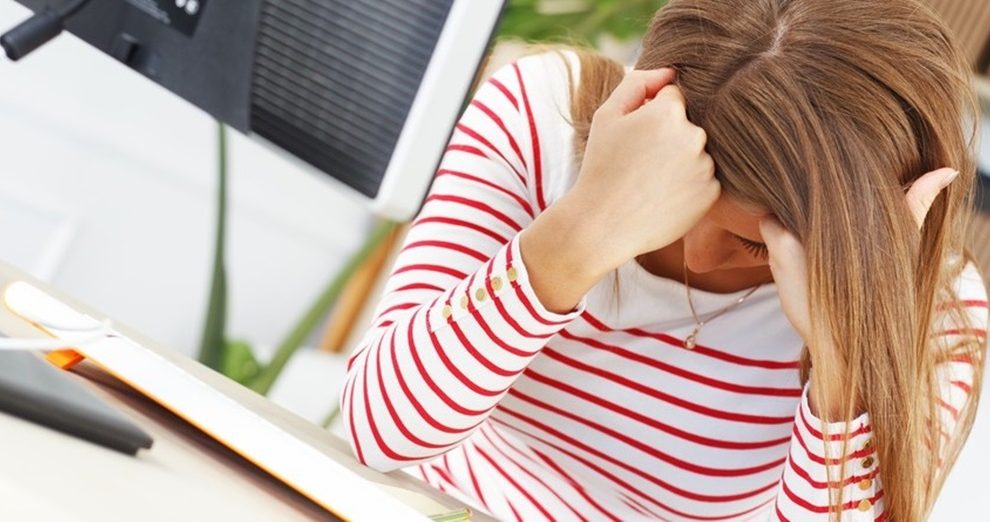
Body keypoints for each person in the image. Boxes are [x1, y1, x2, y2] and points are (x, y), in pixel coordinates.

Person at [340, 0, 988, 519]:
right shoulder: (541, 121)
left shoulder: (936, 312)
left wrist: (848, 358)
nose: (697, 257)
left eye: (757, 245)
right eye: (673, 200)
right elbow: (379, 431)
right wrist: (588, 224)